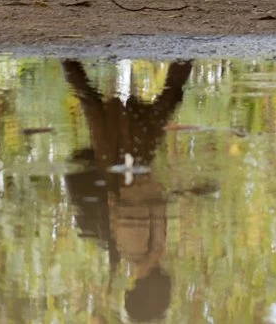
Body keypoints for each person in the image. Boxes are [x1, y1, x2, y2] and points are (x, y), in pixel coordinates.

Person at [62, 59, 193, 322]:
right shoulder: (135, 256)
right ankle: (65, 55)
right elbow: (128, 208)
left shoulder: (142, 253)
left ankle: (187, 54)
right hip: (127, 163)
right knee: (92, 102)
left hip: (132, 161)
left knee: (167, 98)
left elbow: (142, 205)